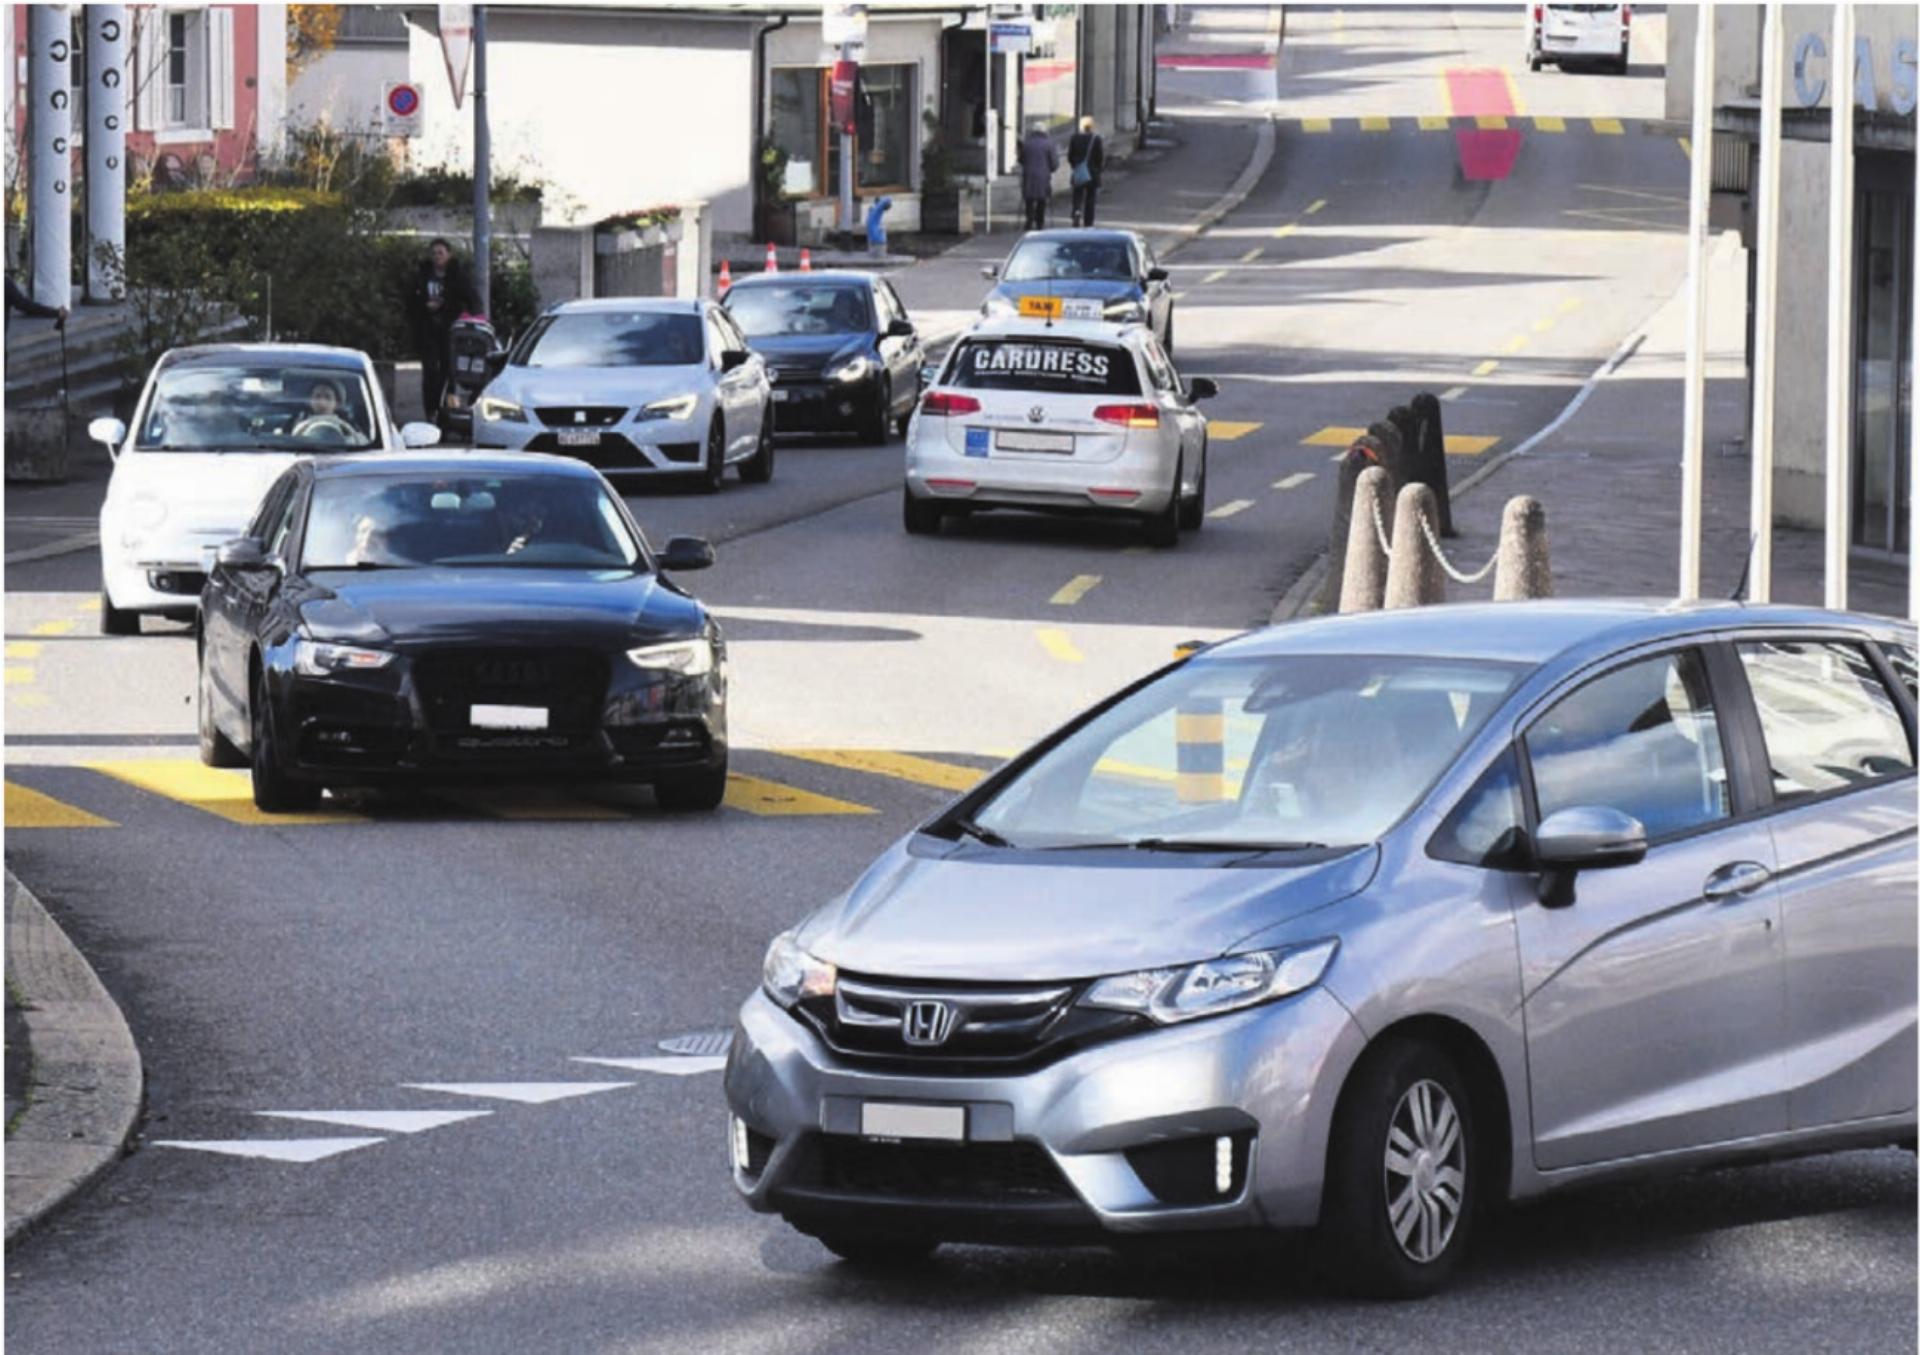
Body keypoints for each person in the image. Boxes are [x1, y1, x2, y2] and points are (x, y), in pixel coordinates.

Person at [407, 238, 475, 422]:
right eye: (434, 253)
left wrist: (448, 308)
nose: (437, 257)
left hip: (450, 330)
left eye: (441, 253)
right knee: (430, 371)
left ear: (448, 255)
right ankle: (430, 410)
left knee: (448, 370)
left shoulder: (457, 276)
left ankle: (445, 411)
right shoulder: (423, 275)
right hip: (427, 329)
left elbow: (470, 300)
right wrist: (424, 306)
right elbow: (411, 301)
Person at [1016, 121, 1057, 231]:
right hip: (1043, 176)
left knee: (1029, 199)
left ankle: (1029, 220)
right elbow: (1054, 164)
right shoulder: (1049, 144)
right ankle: (1040, 222)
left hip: (1029, 175)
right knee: (1041, 199)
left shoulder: (1027, 144)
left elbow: (1021, 160)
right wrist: (1051, 169)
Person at [1067, 115, 1106, 228]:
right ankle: (1088, 222)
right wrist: (1098, 169)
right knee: (1090, 198)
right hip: (1092, 173)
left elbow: (1070, 156)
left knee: (1077, 195)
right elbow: (1100, 157)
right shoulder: (1096, 139)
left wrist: (1075, 165)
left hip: (1079, 171)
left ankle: (1076, 211)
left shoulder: (1074, 138)